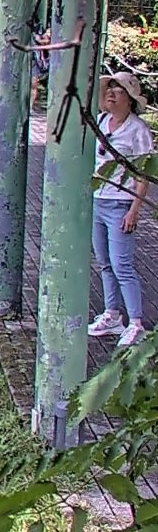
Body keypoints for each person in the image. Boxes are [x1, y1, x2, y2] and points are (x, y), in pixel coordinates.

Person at [103, 75, 156, 343]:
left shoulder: (138, 131)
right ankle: (112, 314)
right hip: (99, 200)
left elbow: (142, 175)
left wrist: (134, 210)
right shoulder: (102, 122)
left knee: (121, 263)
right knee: (105, 263)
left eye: (119, 90)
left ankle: (136, 322)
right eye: (110, 88)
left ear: (130, 99)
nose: (112, 93)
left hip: (120, 202)